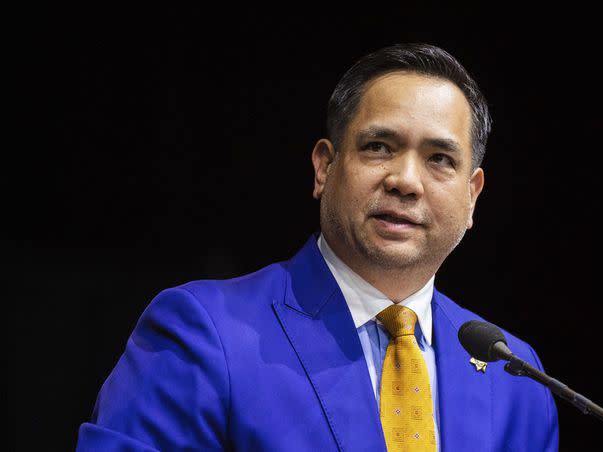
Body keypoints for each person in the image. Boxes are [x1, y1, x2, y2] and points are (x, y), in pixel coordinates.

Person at [76, 43, 559, 451]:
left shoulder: (514, 375)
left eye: (439, 159)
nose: (406, 181)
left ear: (472, 196)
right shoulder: (204, 333)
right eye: (379, 147)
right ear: (324, 168)